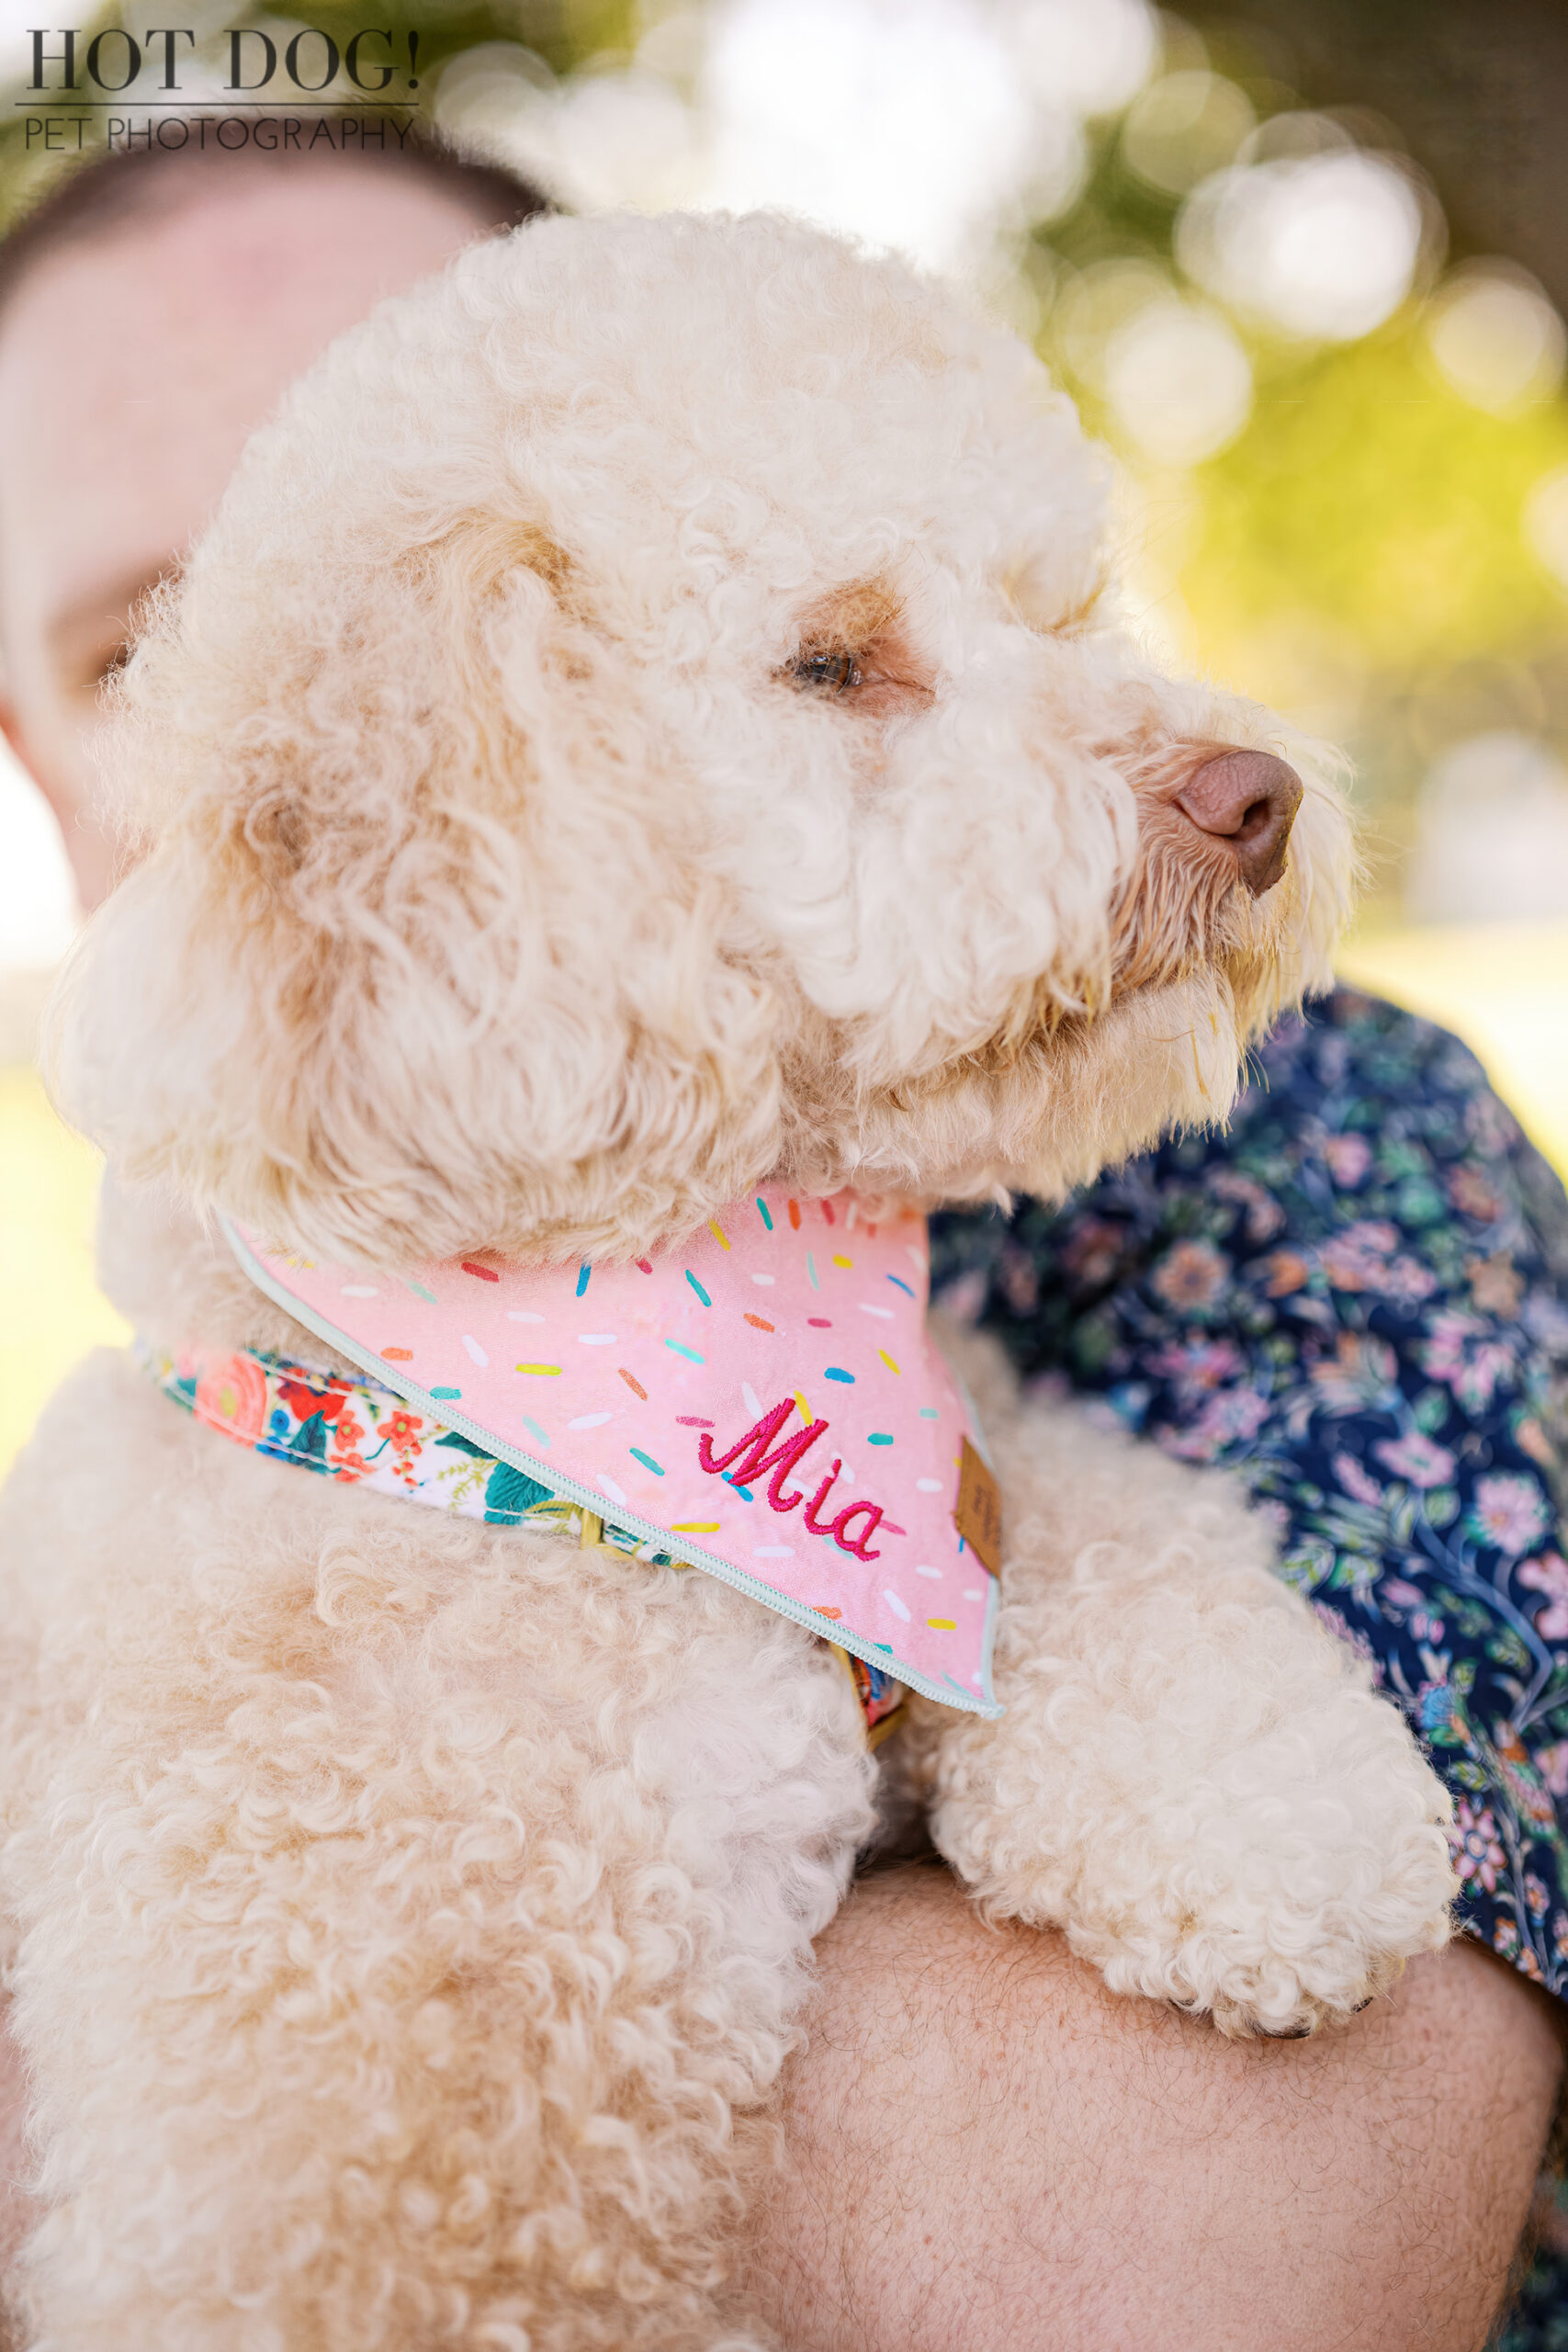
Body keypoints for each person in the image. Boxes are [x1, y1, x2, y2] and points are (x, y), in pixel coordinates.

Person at [0, 132, 1562, 2352]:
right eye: (842, 664)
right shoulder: (210, 1446)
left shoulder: (1323, 1136)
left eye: (1022, 620)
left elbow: (1208, 2259)